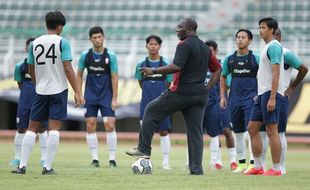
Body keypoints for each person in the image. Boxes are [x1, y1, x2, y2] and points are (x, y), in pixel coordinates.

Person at [126, 18, 222, 175]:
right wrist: (207, 88)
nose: (177, 29)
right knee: (195, 132)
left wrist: (154, 71)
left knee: (151, 110)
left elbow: (176, 66)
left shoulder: (184, 44)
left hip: (182, 92)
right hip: (199, 96)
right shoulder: (205, 48)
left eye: (180, 27)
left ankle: (143, 148)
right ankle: (196, 170)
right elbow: (218, 68)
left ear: (189, 29)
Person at [12, 11, 83, 175]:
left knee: (32, 128)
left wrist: (38, 83)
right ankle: (47, 167)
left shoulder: (35, 43)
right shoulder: (62, 42)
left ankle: (22, 166)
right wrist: (78, 91)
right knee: (54, 128)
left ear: (47, 24)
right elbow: (67, 68)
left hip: (41, 90)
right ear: (59, 27)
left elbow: (31, 68)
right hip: (58, 90)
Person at [260, 28, 308, 174]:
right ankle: (262, 166)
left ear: (276, 35)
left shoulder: (285, 53)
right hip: (267, 94)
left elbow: (304, 68)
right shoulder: (268, 50)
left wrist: (292, 87)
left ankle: (281, 167)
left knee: (279, 133)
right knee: (265, 131)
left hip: (279, 95)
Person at [245, 17, 285, 176]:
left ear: (272, 30)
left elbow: (276, 72)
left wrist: (273, 97)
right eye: (259, 27)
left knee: (271, 130)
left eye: (263, 27)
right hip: (262, 94)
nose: (260, 30)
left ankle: (276, 168)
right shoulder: (266, 47)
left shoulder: (274, 46)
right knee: (252, 128)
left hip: (270, 93)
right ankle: (258, 166)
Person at [76, 26, 118, 168]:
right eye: (94, 37)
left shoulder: (110, 55)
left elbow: (114, 77)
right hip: (91, 96)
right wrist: (79, 93)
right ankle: (95, 159)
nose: (97, 40)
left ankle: (112, 159)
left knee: (110, 124)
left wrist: (114, 98)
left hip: (106, 96)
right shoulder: (85, 56)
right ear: (90, 39)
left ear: (103, 37)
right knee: (90, 124)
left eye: (99, 37)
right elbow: (79, 74)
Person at [220, 29, 260, 173]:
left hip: (251, 100)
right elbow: (223, 77)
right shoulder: (230, 59)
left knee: (251, 131)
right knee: (238, 133)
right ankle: (241, 163)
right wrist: (223, 96)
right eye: (238, 37)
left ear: (250, 40)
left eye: (243, 37)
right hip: (234, 101)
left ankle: (252, 163)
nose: (240, 39)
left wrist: (259, 95)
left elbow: (264, 76)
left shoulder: (256, 58)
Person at [134, 34, 173, 170]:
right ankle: (143, 160)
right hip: (146, 104)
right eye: (150, 44)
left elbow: (169, 83)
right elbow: (140, 82)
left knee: (164, 132)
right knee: (144, 131)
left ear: (160, 46)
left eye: (155, 44)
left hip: (163, 103)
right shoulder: (141, 64)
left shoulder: (166, 64)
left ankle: (166, 162)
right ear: (146, 46)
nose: (153, 46)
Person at [10, 38, 48, 167]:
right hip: (25, 102)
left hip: (41, 101)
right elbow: (20, 84)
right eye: (30, 46)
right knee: (21, 128)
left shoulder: (44, 66)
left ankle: (44, 158)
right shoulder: (20, 66)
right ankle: (17, 157)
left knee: (42, 128)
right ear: (26, 49)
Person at [204, 40, 237, 171]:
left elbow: (228, 83)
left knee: (226, 130)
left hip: (221, 102)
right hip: (206, 102)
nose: (209, 53)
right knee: (214, 132)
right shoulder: (199, 66)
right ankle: (217, 161)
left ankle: (233, 160)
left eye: (211, 51)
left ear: (216, 51)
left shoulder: (221, 65)